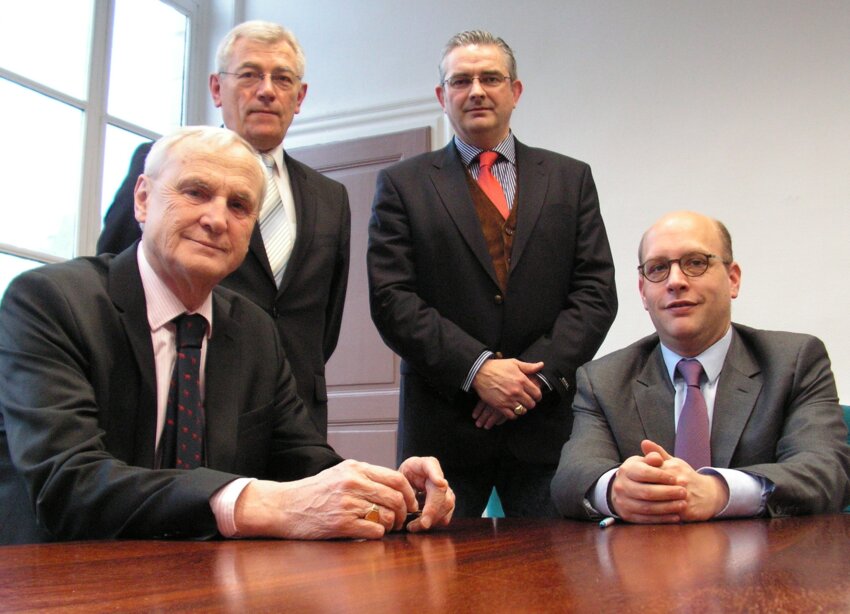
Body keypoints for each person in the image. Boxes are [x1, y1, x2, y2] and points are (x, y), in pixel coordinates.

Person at [0, 127, 454, 545]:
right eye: (196, 193)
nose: (217, 219)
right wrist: (250, 502)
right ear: (142, 199)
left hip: (204, 580)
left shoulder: (255, 330)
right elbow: (66, 483)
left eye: (239, 206)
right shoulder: (49, 303)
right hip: (62, 575)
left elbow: (303, 463)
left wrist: (392, 492)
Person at [367, 30, 617, 517]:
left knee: (556, 578)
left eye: (490, 78)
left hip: (546, 429)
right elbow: (392, 299)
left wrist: (529, 384)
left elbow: (595, 294)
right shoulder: (402, 184)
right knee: (434, 583)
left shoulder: (570, 178)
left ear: (515, 91)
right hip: (444, 430)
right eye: (460, 80)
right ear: (442, 96)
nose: (476, 90)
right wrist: (477, 370)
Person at [96, 21, 349, 436]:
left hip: (296, 413)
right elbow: (115, 281)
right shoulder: (162, 163)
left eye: (282, 79)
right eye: (249, 74)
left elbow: (327, 319)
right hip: (186, 400)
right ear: (216, 89)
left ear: (299, 97)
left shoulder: (329, 196)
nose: (267, 90)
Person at [551, 210, 850, 522]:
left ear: (732, 279)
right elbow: (570, 478)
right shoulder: (605, 379)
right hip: (648, 564)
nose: (675, 281)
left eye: (696, 263)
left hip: (768, 563)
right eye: (658, 268)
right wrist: (614, 490)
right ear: (643, 292)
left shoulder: (794, 361)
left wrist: (718, 491)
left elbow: (826, 471)